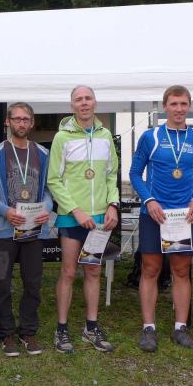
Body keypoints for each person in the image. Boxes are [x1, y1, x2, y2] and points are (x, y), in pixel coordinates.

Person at [130, 85, 193, 352]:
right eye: (174, 104)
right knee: (150, 269)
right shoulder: (150, 137)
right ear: (165, 106)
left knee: (181, 271)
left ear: (189, 106)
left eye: (183, 104)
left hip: (183, 216)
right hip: (155, 214)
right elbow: (135, 173)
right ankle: (148, 328)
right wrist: (149, 200)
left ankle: (180, 328)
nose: (179, 109)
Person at [47, 86, 119, 353]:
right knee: (68, 272)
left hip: (99, 217)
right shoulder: (61, 138)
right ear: (72, 106)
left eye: (88, 98)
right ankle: (61, 329)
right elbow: (53, 179)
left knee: (93, 270)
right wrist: (75, 210)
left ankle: (91, 327)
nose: (84, 103)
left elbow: (111, 174)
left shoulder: (105, 136)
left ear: (95, 103)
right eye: (79, 99)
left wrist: (113, 205)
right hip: (71, 217)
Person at [0, 102, 52, 356]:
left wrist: (47, 207)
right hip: (3, 230)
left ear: (31, 123)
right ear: (7, 122)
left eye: (26, 119)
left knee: (33, 283)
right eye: (17, 119)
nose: (21, 123)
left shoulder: (42, 153)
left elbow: (48, 189)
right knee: (2, 282)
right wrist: (4, 210)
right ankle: (6, 333)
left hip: (33, 231)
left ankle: (28, 332)